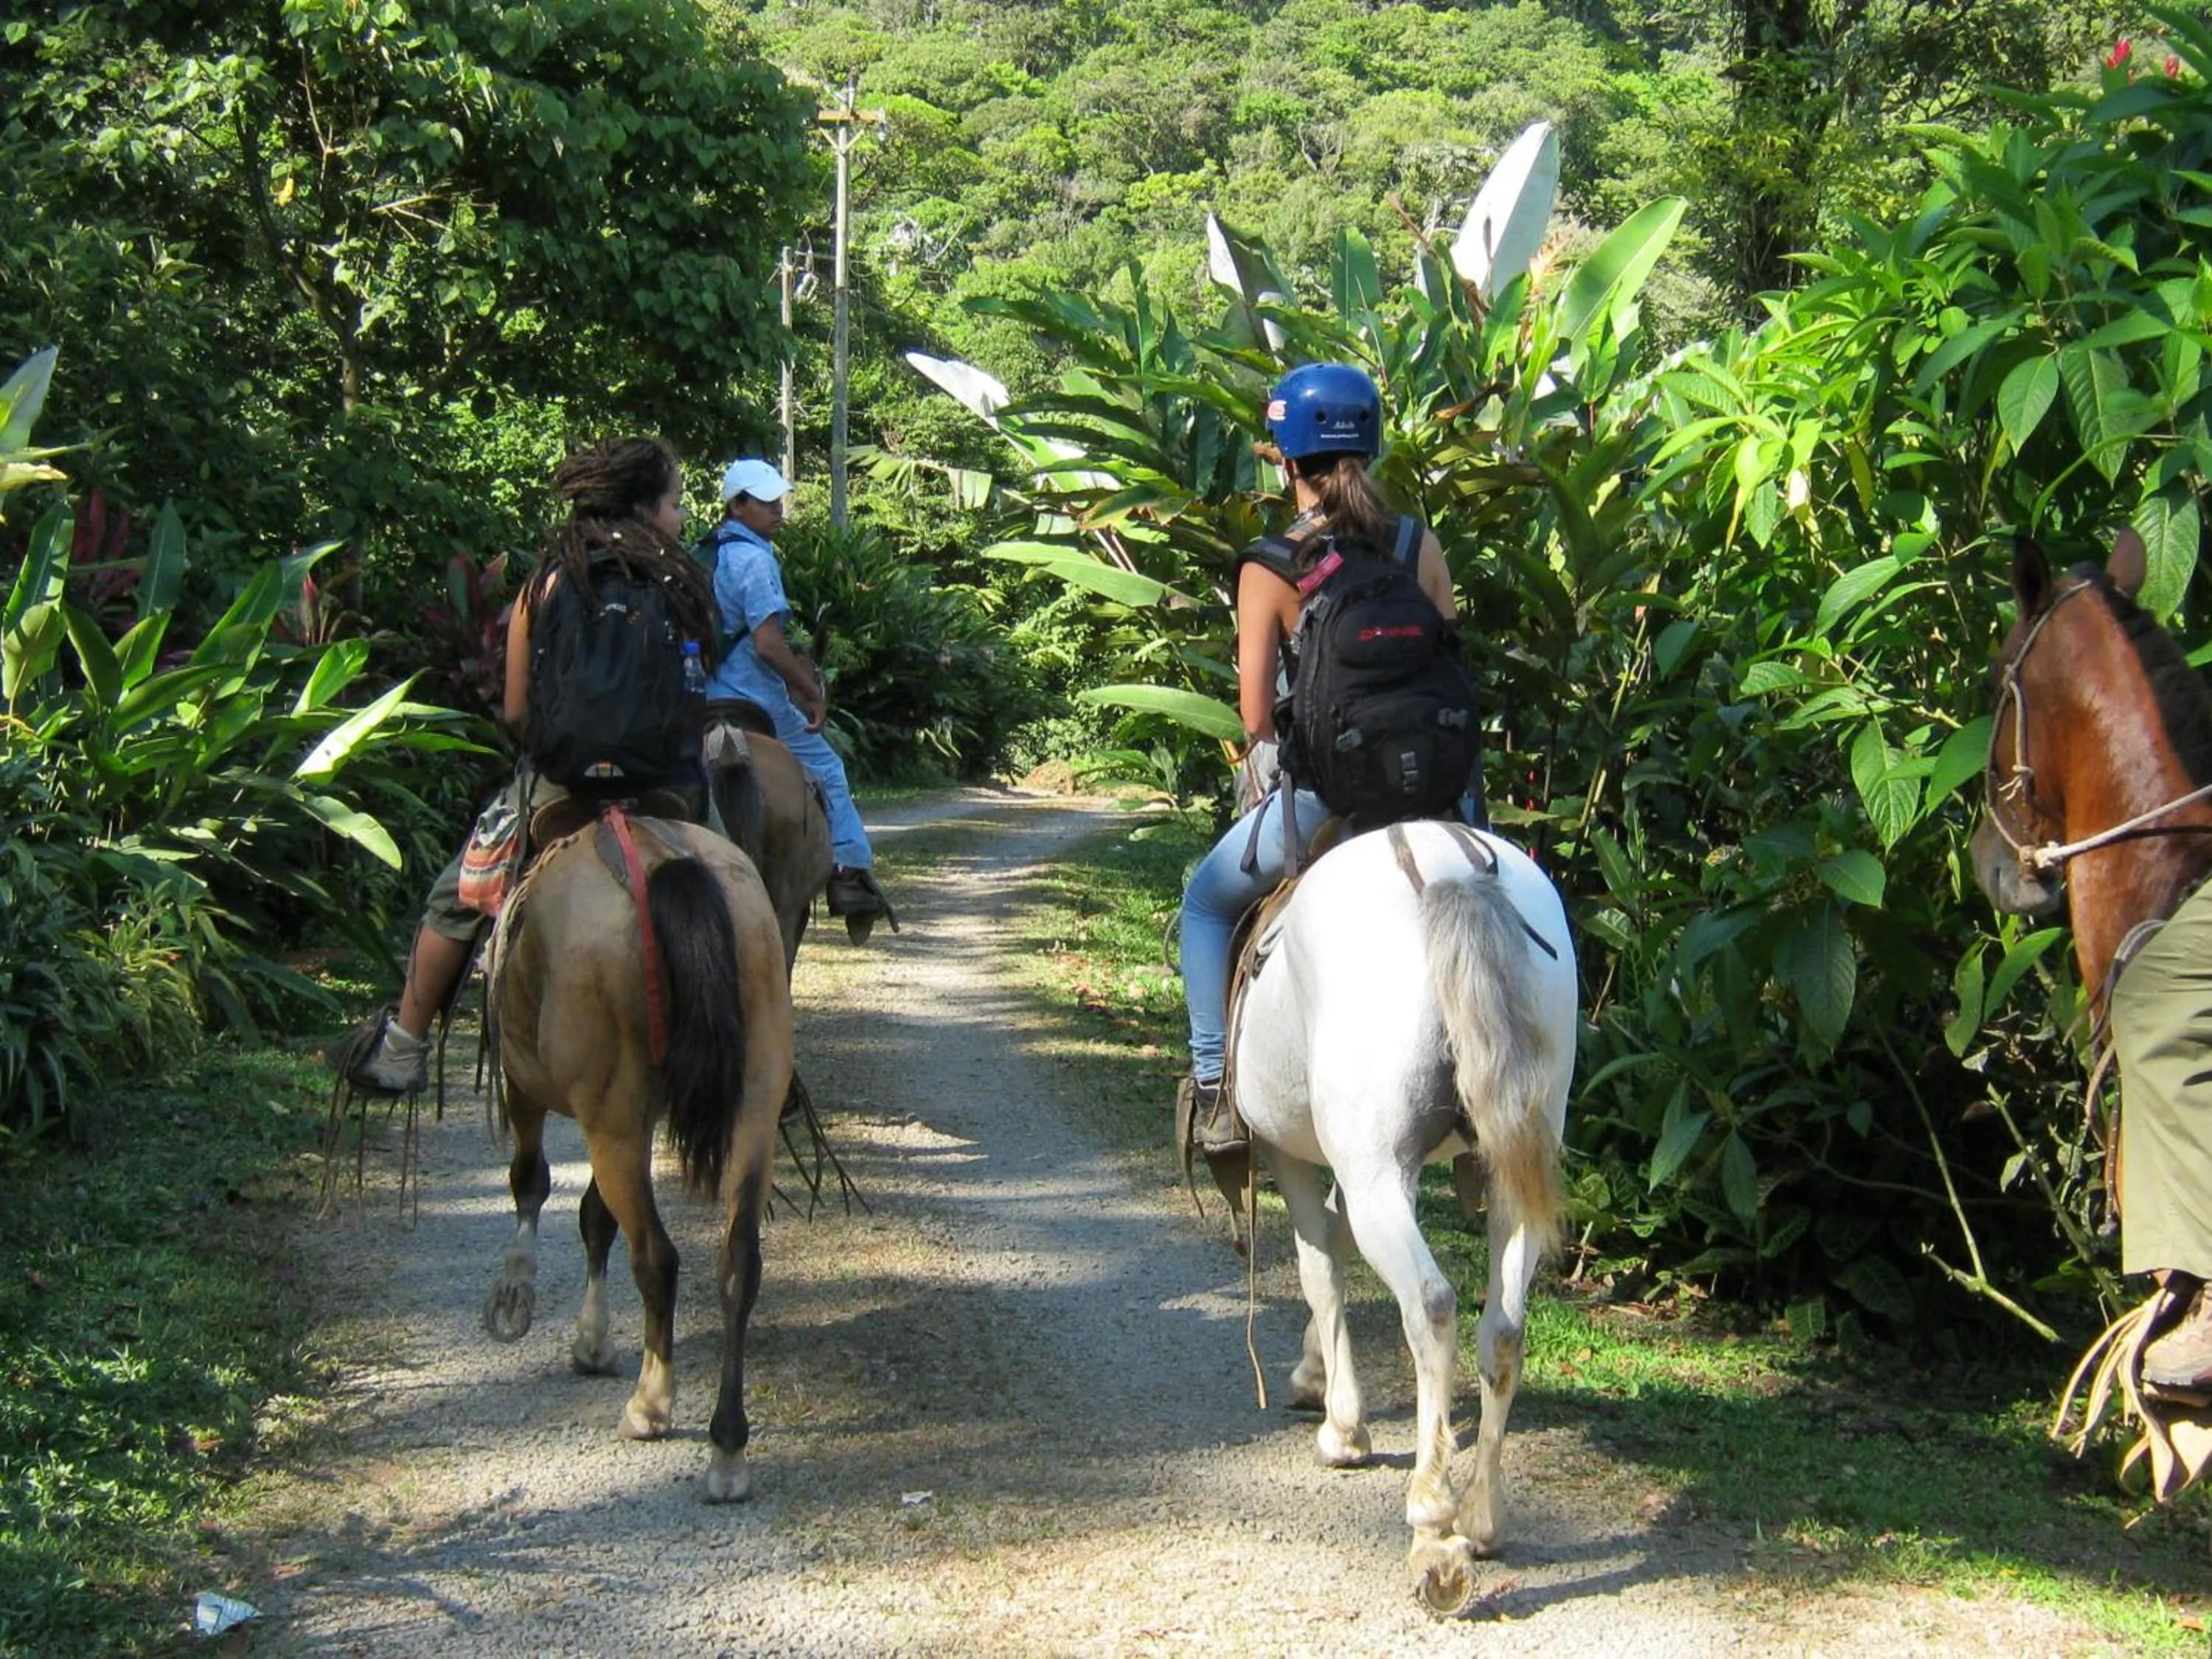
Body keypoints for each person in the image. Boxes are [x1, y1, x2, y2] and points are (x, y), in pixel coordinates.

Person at [335, 437, 720, 1095]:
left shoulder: (545, 582)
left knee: (456, 898)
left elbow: (516, 709)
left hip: (559, 784)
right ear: (645, 508)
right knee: (739, 885)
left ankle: (403, 1045)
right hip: (667, 786)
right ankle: (764, 1051)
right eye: (676, 504)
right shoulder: (680, 580)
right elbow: (694, 691)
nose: (681, 518)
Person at [1176, 363, 1463, 1155]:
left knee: (1203, 907)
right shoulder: (1416, 542)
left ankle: (1216, 1094)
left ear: (1283, 455)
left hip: (1330, 799)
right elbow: (1451, 662)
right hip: (1437, 792)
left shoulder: (1272, 565)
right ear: (1369, 445)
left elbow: (1257, 716)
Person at [698, 457, 891, 941]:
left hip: (697, 698)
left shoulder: (698, 555)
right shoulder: (756, 560)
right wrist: (808, 691)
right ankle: (850, 873)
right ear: (737, 506)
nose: (777, 510)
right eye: (765, 502)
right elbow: (767, 644)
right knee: (828, 769)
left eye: (777, 500)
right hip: (752, 699)